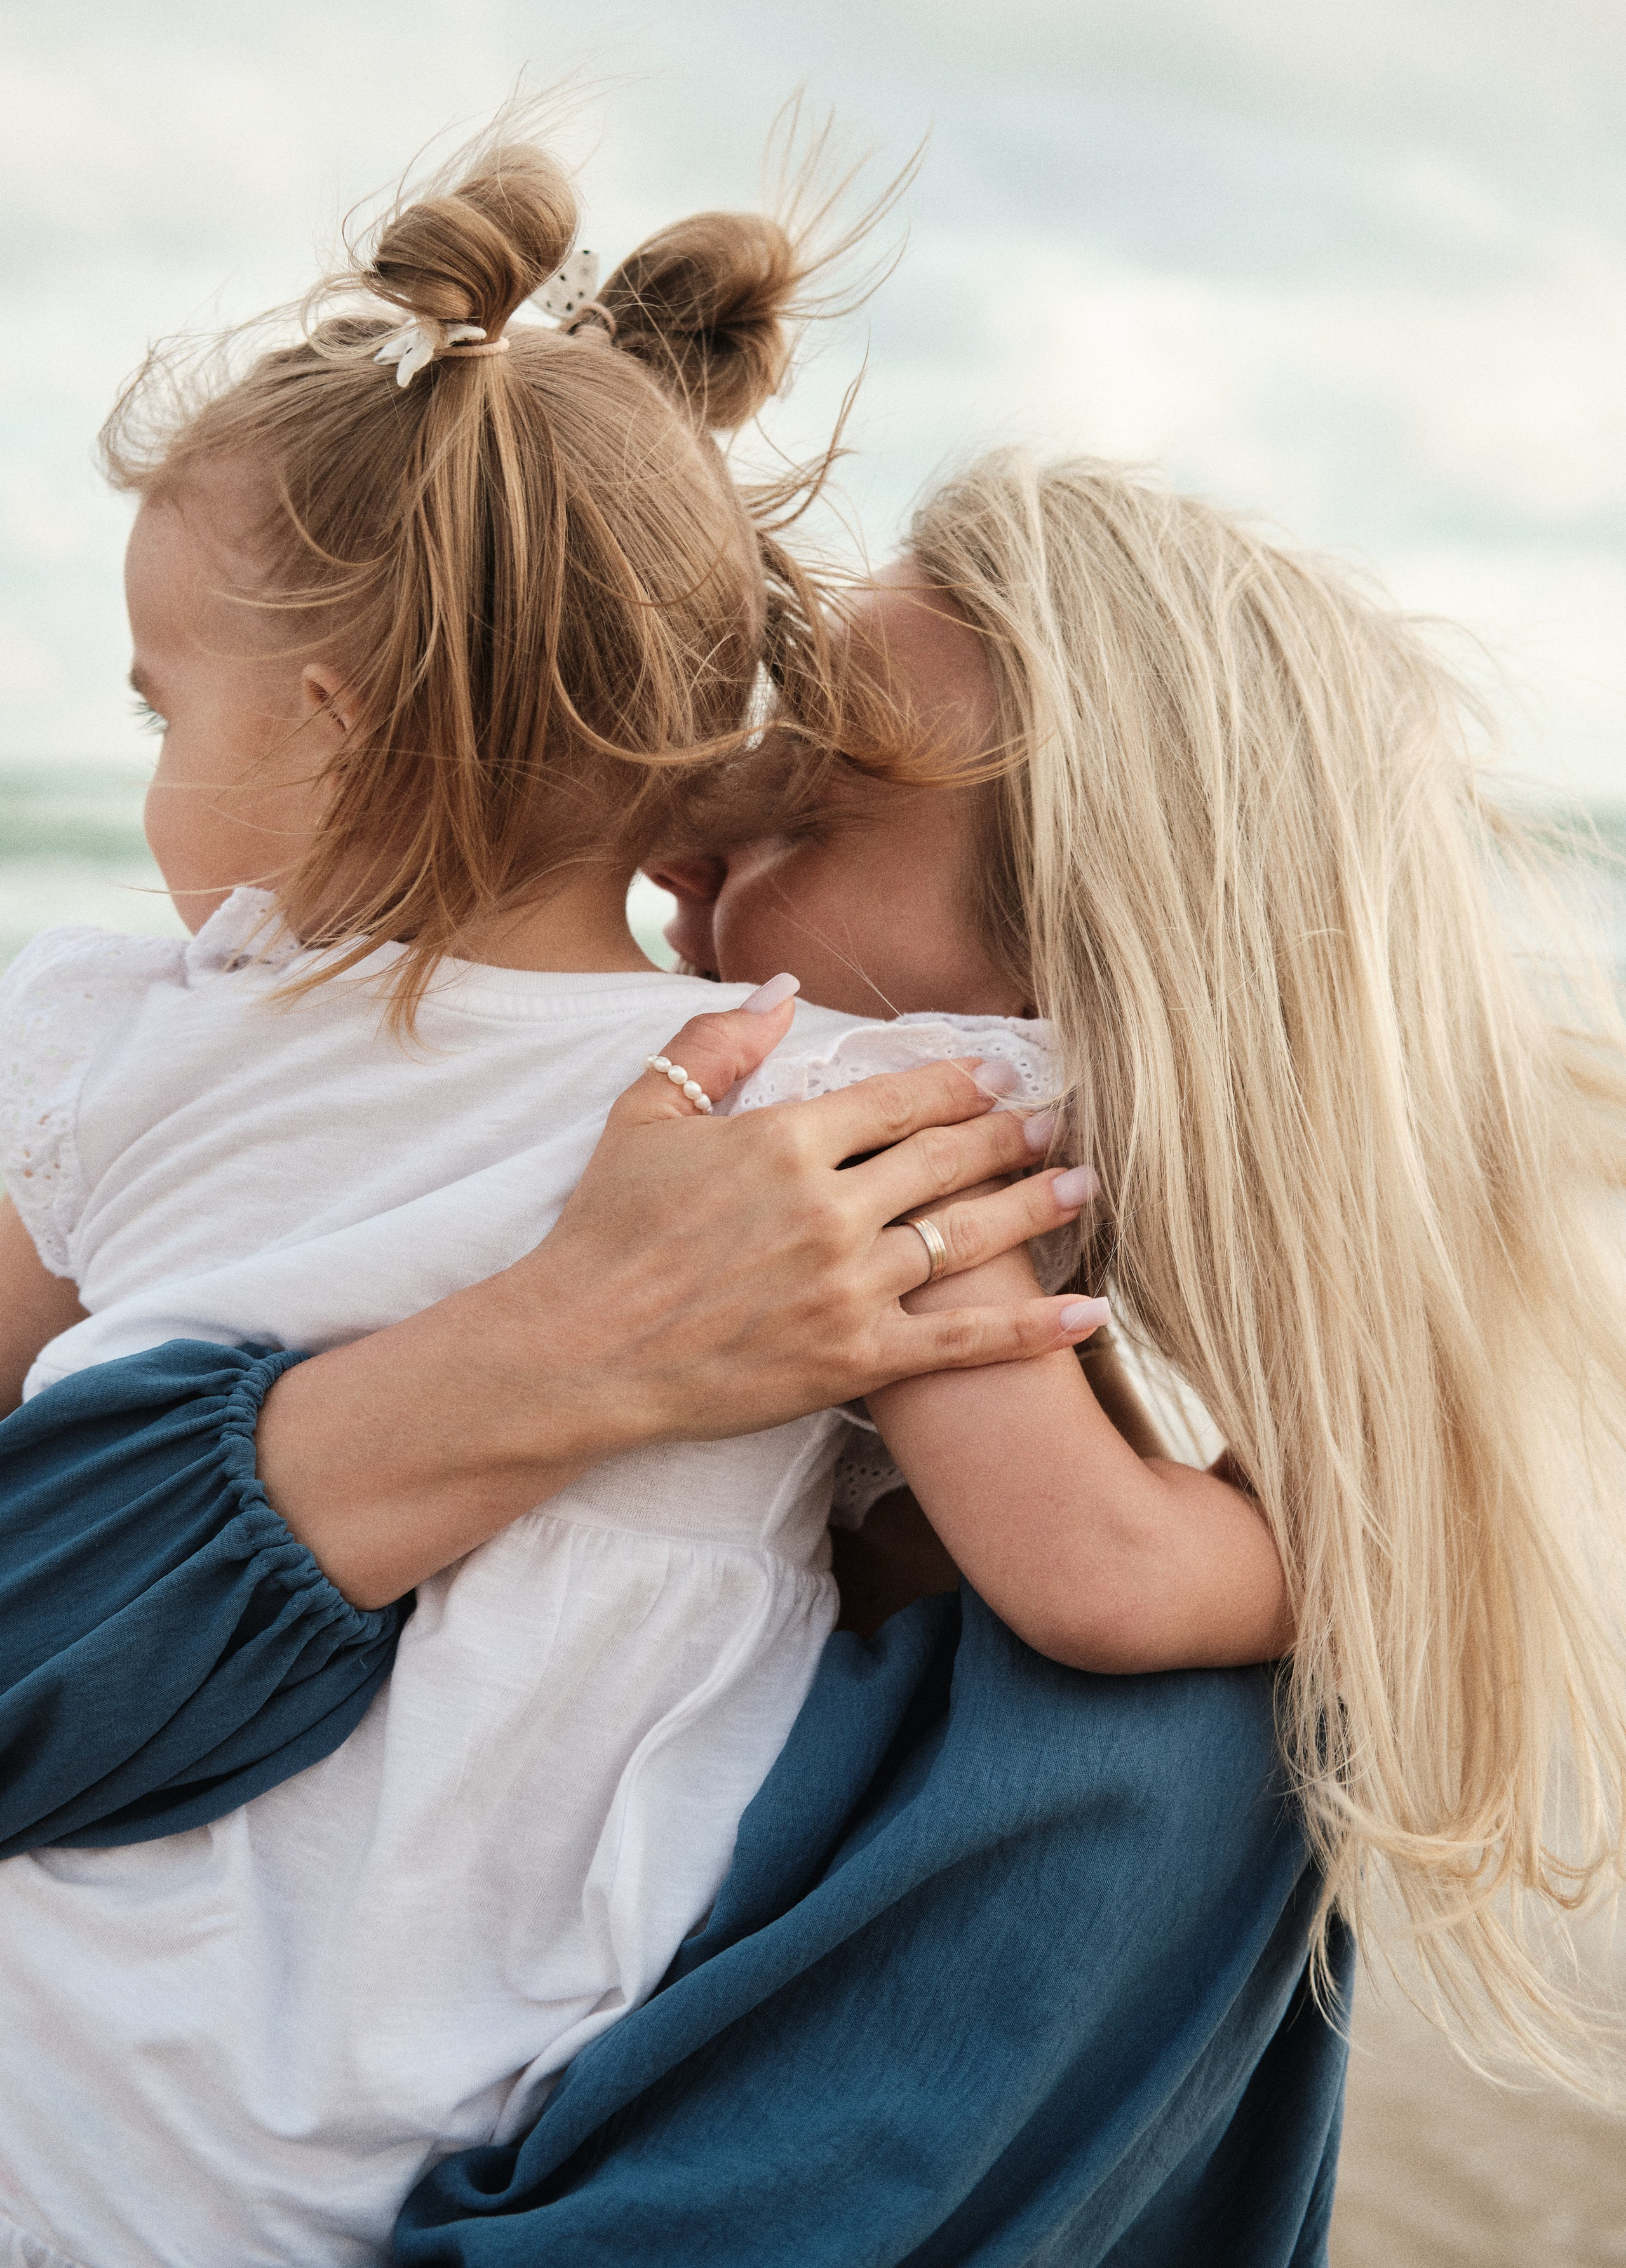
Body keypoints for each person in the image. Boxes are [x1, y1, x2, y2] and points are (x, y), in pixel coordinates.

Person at [0, 113, 1296, 2263]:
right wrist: (1356, 1569)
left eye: (159, 710)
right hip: (438, 2120)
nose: (151, 773)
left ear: (329, 725)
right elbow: (1101, 1581)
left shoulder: (108, 1034)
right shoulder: (841, 1114)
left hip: (60, 2051)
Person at [652, 452, 1626, 2089]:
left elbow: (1102, 1574)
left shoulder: (1108, 1766)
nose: (674, 854)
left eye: (794, 811)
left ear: (1099, 962)